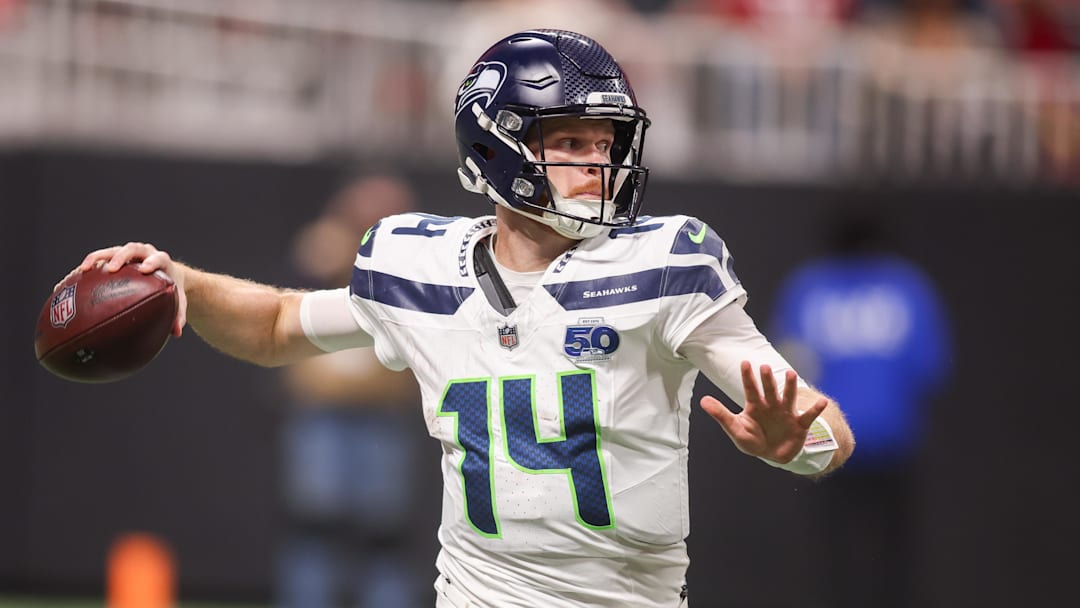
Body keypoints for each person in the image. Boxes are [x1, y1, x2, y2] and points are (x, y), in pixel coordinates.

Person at [66, 30, 854, 607]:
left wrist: (798, 447)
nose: (597, 163)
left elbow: (824, 434)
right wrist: (183, 283)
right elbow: (276, 326)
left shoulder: (667, 264)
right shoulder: (420, 265)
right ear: (497, 147)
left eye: (605, 141)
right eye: (569, 140)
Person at [770, 205, 951, 607]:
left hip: (828, 444)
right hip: (894, 439)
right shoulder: (906, 286)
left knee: (835, 554)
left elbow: (787, 370)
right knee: (896, 553)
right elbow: (930, 367)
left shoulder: (808, 288)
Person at [277, 175, 426, 608]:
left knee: (386, 534)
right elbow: (306, 275)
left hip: (382, 416)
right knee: (315, 527)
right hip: (323, 415)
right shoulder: (324, 253)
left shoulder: (411, 270)